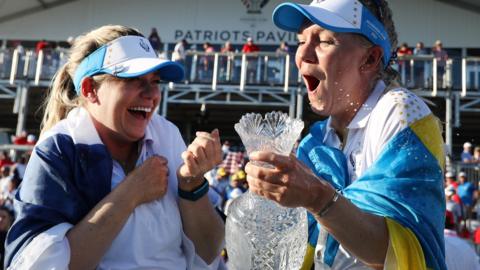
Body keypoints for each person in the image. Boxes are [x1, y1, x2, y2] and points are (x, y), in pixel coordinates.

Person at [4, 25, 224, 269]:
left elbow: (208, 252)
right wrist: (131, 193)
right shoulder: (60, 148)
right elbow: (35, 265)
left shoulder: (167, 133)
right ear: (90, 90)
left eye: (155, 81)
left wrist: (191, 184)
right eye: (133, 80)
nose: (152, 94)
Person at [246, 0, 446, 269]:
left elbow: (395, 254)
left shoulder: (399, 111)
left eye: (325, 41)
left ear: (370, 59)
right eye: (301, 40)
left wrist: (317, 197)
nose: (303, 54)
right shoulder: (314, 142)